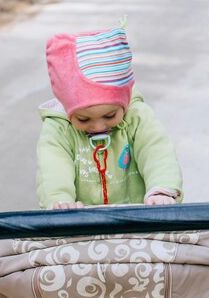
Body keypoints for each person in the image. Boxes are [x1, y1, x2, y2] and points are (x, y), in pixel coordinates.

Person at [37, 24, 183, 209]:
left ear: (124, 101)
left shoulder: (137, 117)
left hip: (139, 219)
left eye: (110, 115)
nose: (98, 126)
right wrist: (59, 199)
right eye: (83, 119)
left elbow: (157, 151)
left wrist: (161, 189)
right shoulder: (59, 128)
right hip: (82, 225)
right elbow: (52, 167)